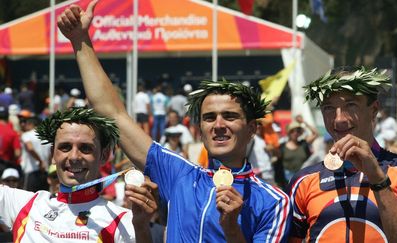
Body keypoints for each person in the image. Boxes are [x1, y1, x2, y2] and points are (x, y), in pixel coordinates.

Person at [57, 1, 291, 241]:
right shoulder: (179, 174)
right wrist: (79, 40)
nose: (219, 125)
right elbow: (112, 113)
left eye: (230, 116)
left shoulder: (274, 202)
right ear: (200, 130)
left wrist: (231, 229)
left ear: (252, 128)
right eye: (209, 118)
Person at [288, 66, 397, 242]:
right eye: (329, 108)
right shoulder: (303, 180)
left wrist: (378, 179)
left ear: (374, 110)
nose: (339, 118)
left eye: (351, 105)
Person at [0, 107, 157, 242]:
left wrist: (141, 228)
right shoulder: (24, 204)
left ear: (103, 156)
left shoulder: (123, 220)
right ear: (53, 154)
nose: (74, 157)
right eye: (65, 147)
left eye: (86, 148)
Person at [18, 110, 51, 192]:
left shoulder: (26, 135)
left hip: (31, 171)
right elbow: (51, 153)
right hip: (45, 172)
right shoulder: (46, 137)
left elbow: (30, 148)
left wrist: (40, 161)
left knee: (28, 198)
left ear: (30, 124)